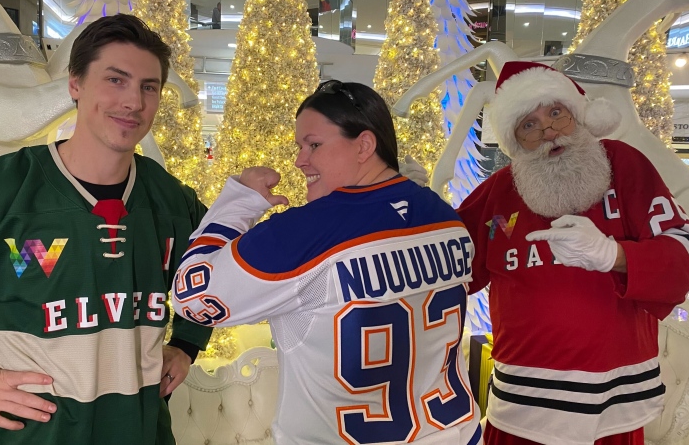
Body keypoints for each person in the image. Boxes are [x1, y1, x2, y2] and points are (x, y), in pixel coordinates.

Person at [0, 14, 212, 445]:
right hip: (33, 436)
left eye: (149, 87)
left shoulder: (169, 199)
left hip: (143, 432)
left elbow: (218, 269)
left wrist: (187, 342)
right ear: (74, 84)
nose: (133, 101)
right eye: (115, 79)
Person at [172, 81, 482, 444]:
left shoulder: (304, 232)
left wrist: (239, 200)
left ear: (365, 144)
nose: (300, 159)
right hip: (455, 433)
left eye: (314, 144)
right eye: (300, 146)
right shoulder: (448, 219)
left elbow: (191, 296)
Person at [456, 61, 689, 445]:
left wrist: (613, 256)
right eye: (529, 125)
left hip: (615, 409)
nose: (549, 130)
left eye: (556, 113)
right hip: (522, 407)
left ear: (580, 114)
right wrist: (412, 205)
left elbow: (687, 257)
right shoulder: (499, 192)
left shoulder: (622, 165)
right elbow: (450, 266)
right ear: (515, 142)